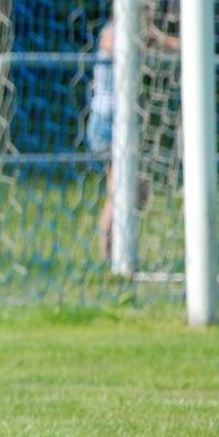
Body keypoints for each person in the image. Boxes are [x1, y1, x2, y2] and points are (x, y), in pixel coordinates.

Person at [90, 15, 177, 261]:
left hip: (123, 124)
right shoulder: (112, 31)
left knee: (139, 189)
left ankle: (122, 249)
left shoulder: (137, 31)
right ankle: (110, 256)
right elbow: (113, 45)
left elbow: (166, 43)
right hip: (106, 125)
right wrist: (143, 41)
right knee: (118, 190)